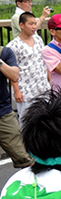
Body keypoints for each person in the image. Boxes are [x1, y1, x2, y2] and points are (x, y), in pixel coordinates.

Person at [6, 12, 51, 124]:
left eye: (35, 23)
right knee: (27, 121)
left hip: (42, 87)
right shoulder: (13, 46)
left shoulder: (38, 40)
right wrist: (17, 90)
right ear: (22, 25)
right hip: (25, 90)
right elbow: (12, 71)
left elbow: (44, 61)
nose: (34, 27)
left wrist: (51, 80)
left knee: (46, 118)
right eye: (31, 24)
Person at [0, 41, 33, 169]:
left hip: (3, 114)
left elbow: (14, 75)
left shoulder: (4, 53)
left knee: (25, 159)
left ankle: (32, 187)